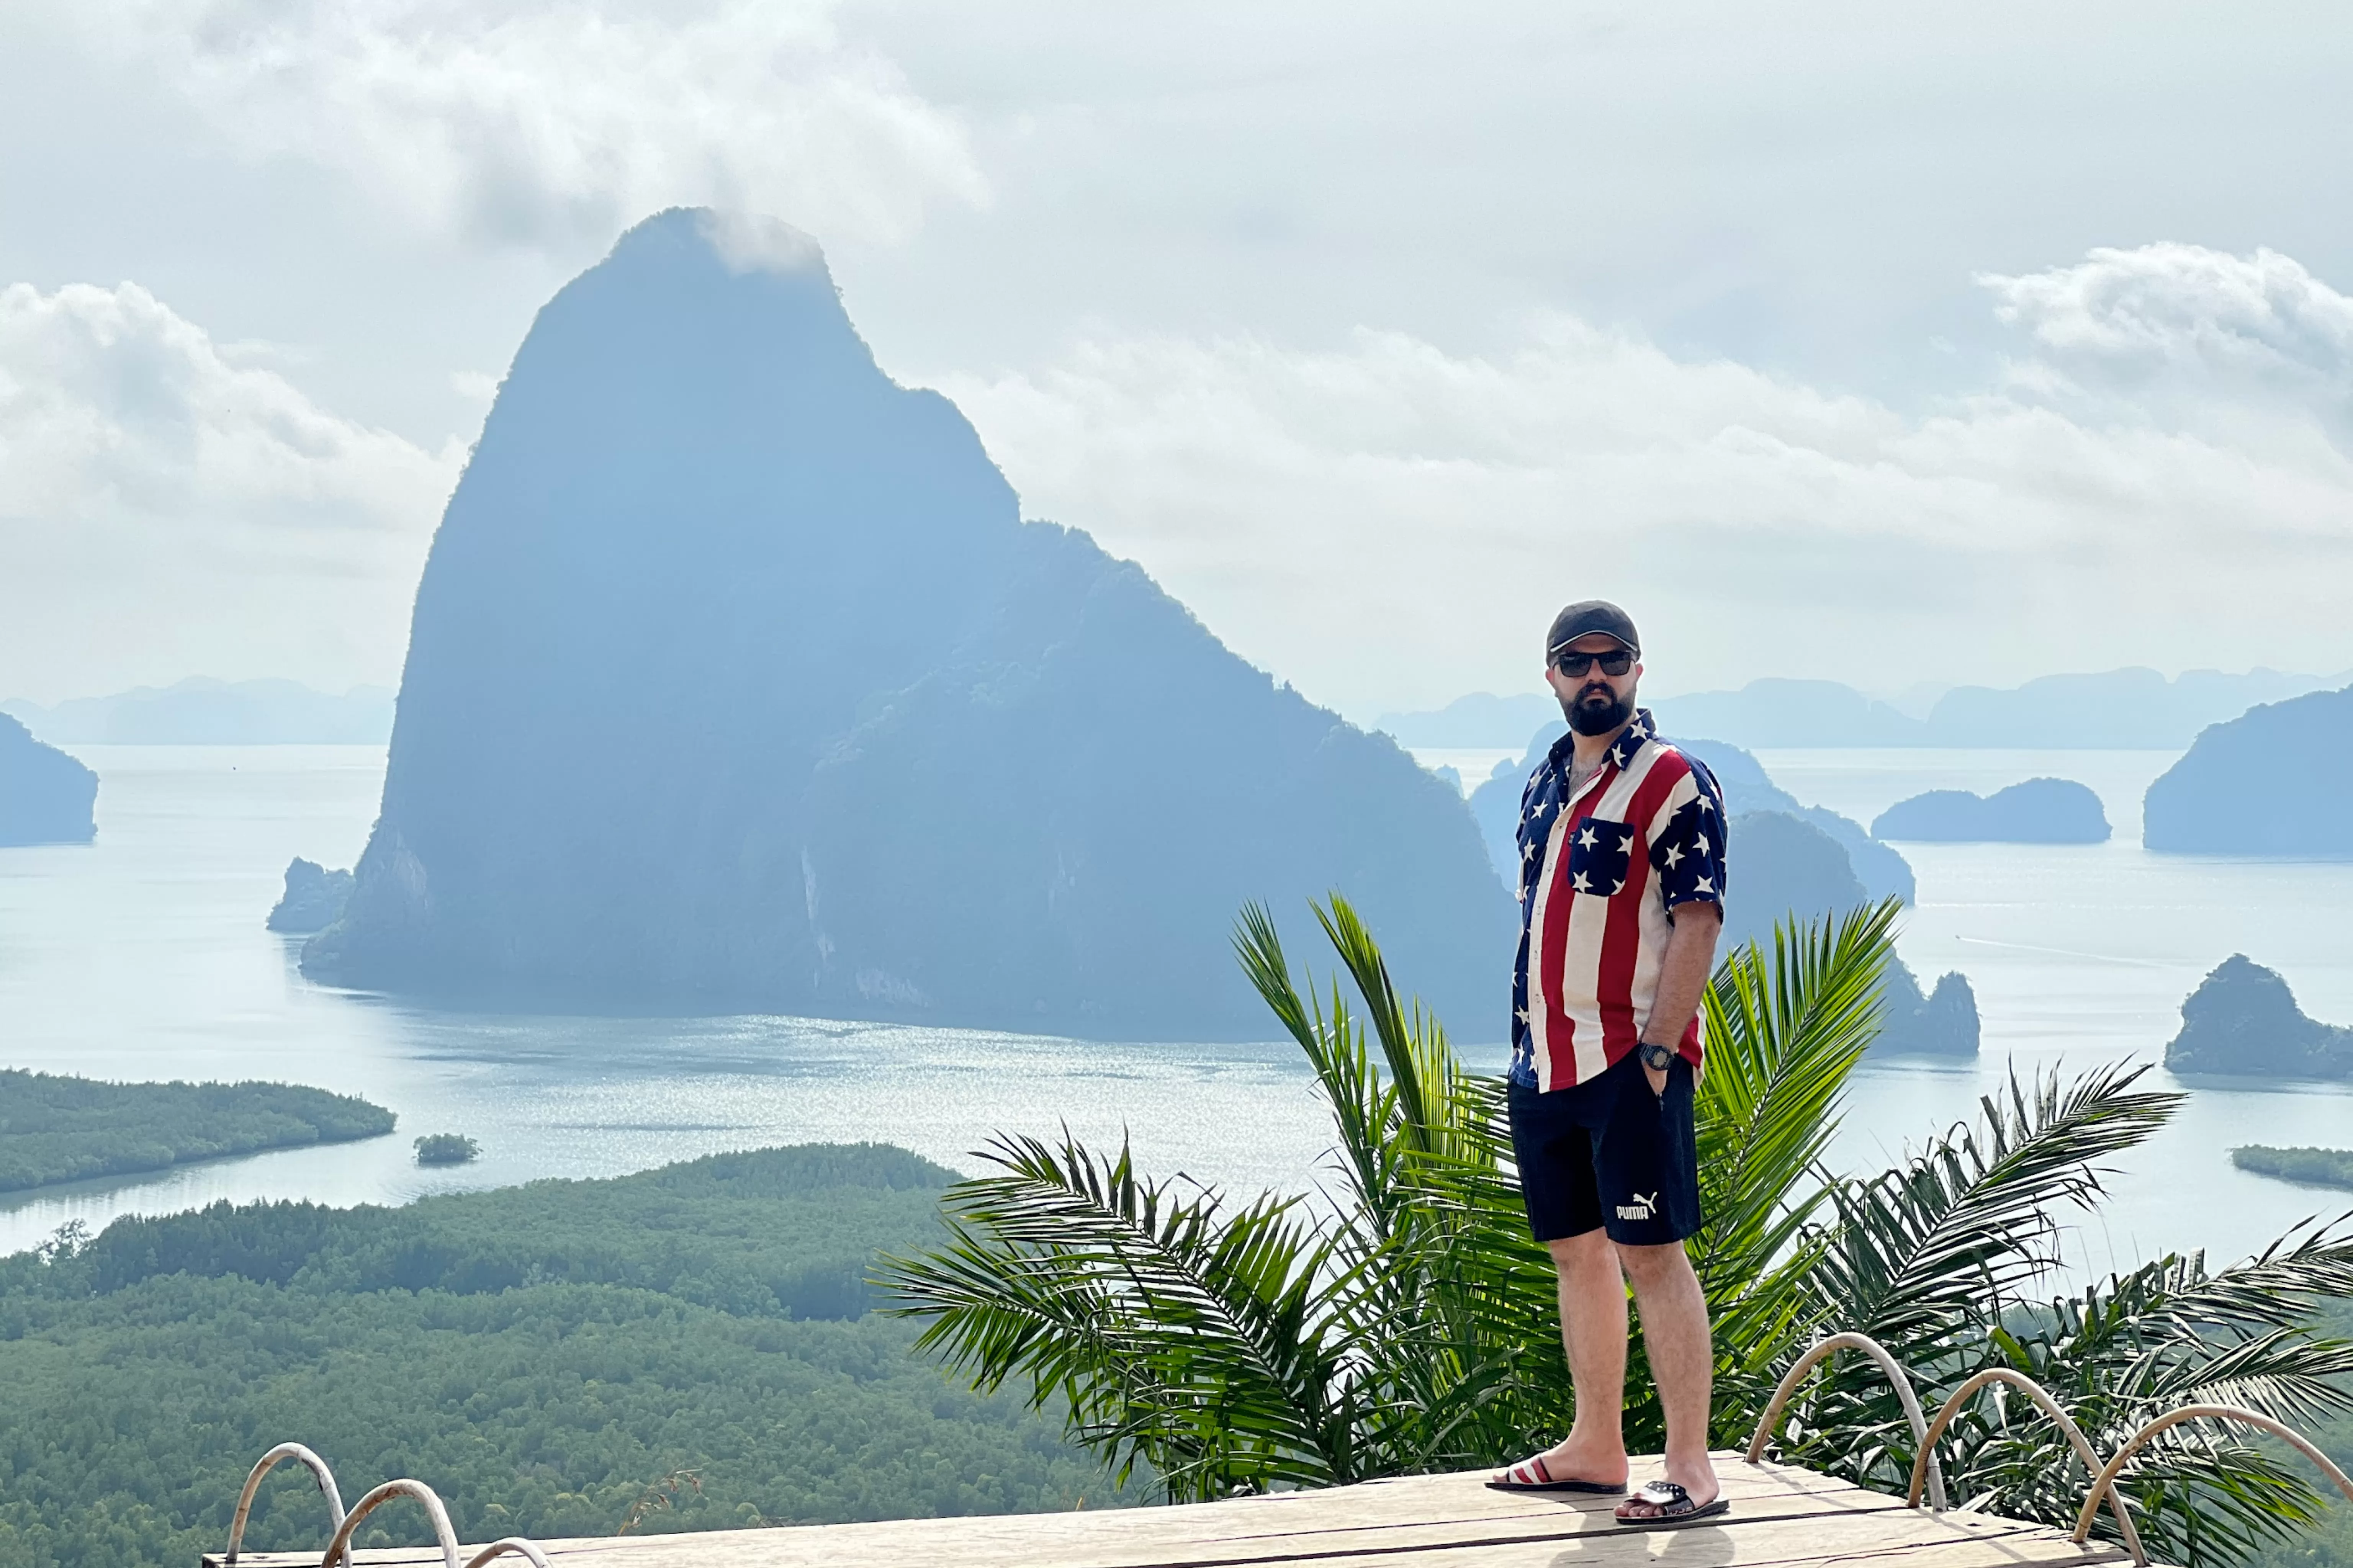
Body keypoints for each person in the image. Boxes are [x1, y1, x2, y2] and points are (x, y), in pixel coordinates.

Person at [1485, 599, 1728, 1527]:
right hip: (1544, 1062)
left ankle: (1691, 1468)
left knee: (1652, 1256)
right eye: (1576, 662)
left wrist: (1661, 1052)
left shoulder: (1673, 781)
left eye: (1612, 662)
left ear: (1637, 671)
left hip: (1630, 1060)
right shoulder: (1545, 782)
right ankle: (1596, 1447)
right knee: (1577, 1254)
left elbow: (1698, 920)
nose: (1596, 677)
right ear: (1549, 675)